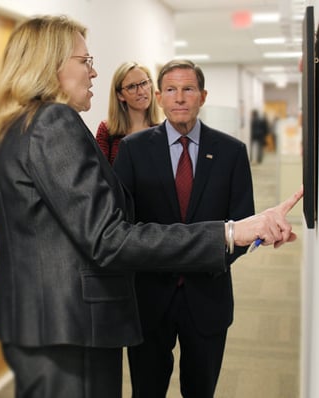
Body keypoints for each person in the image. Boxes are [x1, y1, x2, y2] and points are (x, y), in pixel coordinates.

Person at [0, 15, 302, 398]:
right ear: (51, 64)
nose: (94, 72)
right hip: (67, 322)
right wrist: (231, 231)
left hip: (43, 319)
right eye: (85, 61)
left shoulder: (20, 125)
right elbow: (109, 238)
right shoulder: (55, 123)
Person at [113, 60, 263, 397]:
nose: (179, 98)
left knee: (201, 390)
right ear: (159, 97)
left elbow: (243, 226)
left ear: (203, 96)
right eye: (170, 90)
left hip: (208, 296)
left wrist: (205, 260)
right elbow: (121, 225)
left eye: (188, 89)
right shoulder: (134, 151)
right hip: (150, 297)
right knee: (146, 390)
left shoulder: (231, 152)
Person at [96, 61, 160, 164]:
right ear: (120, 95)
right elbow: (100, 172)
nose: (141, 92)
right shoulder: (107, 130)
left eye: (144, 83)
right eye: (131, 87)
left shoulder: (163, 131)